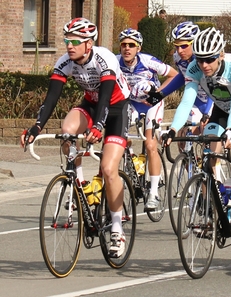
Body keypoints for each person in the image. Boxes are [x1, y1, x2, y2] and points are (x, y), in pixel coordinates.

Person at [21, 17, 131, 258]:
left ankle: (116, 228)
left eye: (74, 41)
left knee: (108, 168)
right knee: (67, 130)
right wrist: (35, 128)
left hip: (116, 109)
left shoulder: (105, 59)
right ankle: (78, 183)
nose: (68, 46)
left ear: (89, 44)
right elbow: (51, 99)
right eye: (66, 41)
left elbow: (105, 98)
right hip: (91, 106)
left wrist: (99, 126)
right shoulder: (65, 62)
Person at [162, 27, 231, 230]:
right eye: (200, 59)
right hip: (221, 111)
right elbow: (186, 101)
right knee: (208, 156)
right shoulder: (194, 68)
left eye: (209, 59)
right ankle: (212, 206)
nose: (204, 65)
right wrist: (173, 129)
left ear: (221, 54)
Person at [116, 28, 178, 211]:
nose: (127, 48)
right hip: (131, 104)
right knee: (119, 138)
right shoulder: (115, 61)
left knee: (151, 145)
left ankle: (153, 193)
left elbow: (174, 75)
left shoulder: (148, 61)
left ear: (138, 48)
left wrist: (157, 95)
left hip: (152, 104)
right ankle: (133, 165)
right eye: (124, 45)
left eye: (131, 45)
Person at [148, 21, 214, 139]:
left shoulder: (206, 60)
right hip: (196, 99)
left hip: (212, 100)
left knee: (209, 138)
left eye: (184, 46)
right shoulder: (178, 57)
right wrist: (160, 94)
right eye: (176, 46)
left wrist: (207, 113)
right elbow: (182, 77)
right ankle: (187, 157)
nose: (179, 50)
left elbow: (213, 88)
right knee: (182, 136)